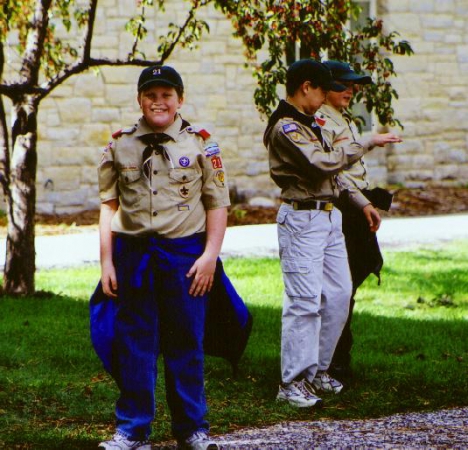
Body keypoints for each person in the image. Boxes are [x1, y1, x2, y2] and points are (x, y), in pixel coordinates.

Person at [96, 65, 229, 450]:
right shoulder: (119, 144)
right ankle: (133, 429)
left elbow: (217, 204)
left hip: (184, 255)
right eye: (150, 95)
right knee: (133, 342)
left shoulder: (202, 145)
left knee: (185, 340)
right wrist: (107, 262)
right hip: (134, 253)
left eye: (166, 95)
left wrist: (210, 256)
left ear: (180, 99)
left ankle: (191, 429)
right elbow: (109, 207)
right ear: (140, 100)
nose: (158, 102)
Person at [263, 59, 401, 408]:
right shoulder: (287, 127)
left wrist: (360, 203)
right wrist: (365, 142)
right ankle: (292, 381)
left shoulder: (312, 125)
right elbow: (321, 164)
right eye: (324, 89)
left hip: (329, 217)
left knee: (338, 296)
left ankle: (318, 371)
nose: (326, 96)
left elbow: (336, 178)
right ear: (306, 87)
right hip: (301, 219)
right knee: (304, 302)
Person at [317, 60, 397, 378]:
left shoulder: (342, 118)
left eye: (353, 85)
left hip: (354, 205)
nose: (351, 90)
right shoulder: (322, 122)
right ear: (323, 87)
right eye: (343, 84)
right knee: (340, 288)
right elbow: (334, 172)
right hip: (341, 207)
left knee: (348, 285)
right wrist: (362, 203)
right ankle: (333, 360)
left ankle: (337, 357)